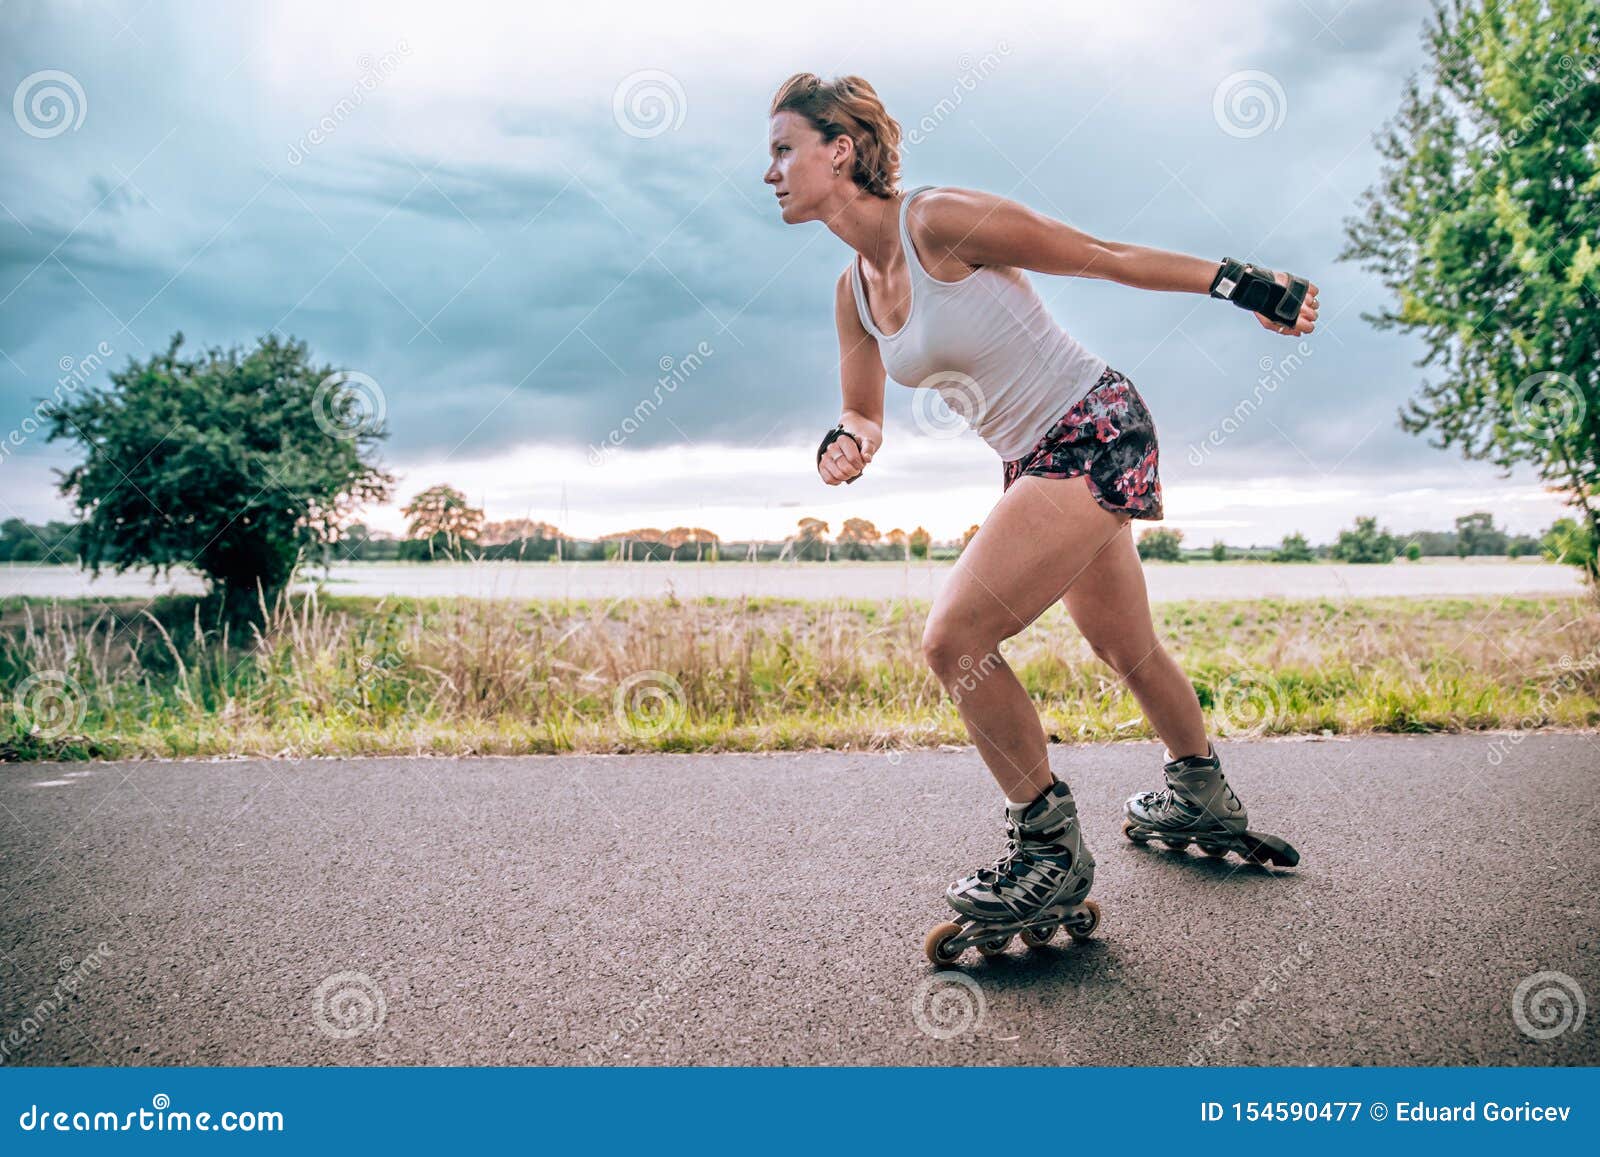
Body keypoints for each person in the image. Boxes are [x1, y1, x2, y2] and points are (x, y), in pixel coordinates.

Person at [764, 73, 1317, 948]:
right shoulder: (853, 291)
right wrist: (849, 442)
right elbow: (864, 409)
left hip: (1094, 428)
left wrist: (1244, 283)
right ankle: (1201, 795)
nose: (772, 173)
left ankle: (1047, 850)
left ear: (839, 151)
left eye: (783, 149)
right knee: (1123, 645)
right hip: (1034, 457)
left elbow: (1100, 253)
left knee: (954, 641)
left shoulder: (938, 220)